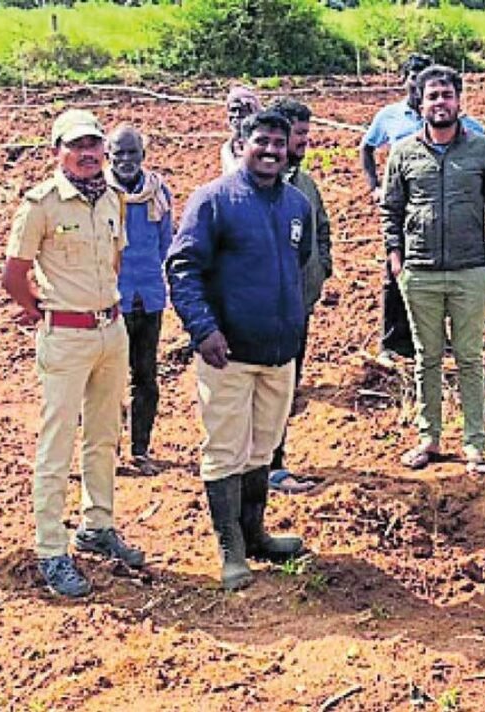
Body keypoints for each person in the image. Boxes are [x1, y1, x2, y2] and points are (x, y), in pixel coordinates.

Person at [3, 109, 145, 599]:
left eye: (94, 145)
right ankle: (51, 549)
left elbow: (116, 258)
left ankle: (98, 525)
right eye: (76, 145)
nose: (88, 154)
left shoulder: (113, 200)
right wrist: (39, 309)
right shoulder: (40, 204)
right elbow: (13, 275)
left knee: (105, 435)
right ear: (57, 151)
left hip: (111, 330)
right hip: (64, 336)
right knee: (57, 442)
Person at [167, 111, 310, 590]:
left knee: (262, 449)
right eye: (261, 142)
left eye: (279, 143)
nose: (271, 151)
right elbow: (183, 267)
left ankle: (255, 536)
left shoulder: (296, 204)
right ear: (241, 144)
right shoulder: (214, 200)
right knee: (226, 450)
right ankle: (230, 549)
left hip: (279, 352)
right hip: (226, 354)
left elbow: (301, 260)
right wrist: (203, 329)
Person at [381, 65, 485, 475]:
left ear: (459, 100)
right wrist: (396, 258)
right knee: (427, 357)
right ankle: (430, 437)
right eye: (432, 96)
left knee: (470, 358)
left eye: (447, 95)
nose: (440, 103)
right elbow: (391, 207)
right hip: (419, 271)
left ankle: (475, 444)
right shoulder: (402, 152)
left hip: (470, 270)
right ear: (419, 103)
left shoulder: (483, 150)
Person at [361, 54, 485, 368]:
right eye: (413, 77)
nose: (418, 84)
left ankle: (438, 340)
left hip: (448, 214)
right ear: (406, 81)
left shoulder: (467, 126)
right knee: (396, 273)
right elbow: (367, 146)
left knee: (444, 274)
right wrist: (375, 185)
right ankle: (392, 343)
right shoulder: (390, 116)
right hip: (406, 210)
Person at [265, 97, 334, 494]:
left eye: (308, 134)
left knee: (286, 386)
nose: (305, 141)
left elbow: (321, 228)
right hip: (259, 310)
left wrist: (320, 270)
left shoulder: (305, 185)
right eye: (299, 134)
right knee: (261, 388)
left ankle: (275, 462)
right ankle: (256, 465)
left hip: (297, 306)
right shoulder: (253, 186)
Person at [107, 125, 173, 476]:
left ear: (143, 155)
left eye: (132, 153)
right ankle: (108, 450)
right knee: (107, 381)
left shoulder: (158, 192)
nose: (126, 160)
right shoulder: (99, 193)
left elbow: (166, 245)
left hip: (148, 297)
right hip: (109, 298)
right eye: (119, 154)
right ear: (109, 156)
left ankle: (140, 448)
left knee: (145, 375)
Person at [220, 85, 262, 174]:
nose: (237, 115)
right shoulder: (227, 148)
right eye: (233, 110)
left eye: (242, 110)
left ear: (253, 112)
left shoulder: (263, 145)